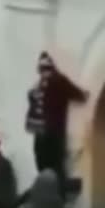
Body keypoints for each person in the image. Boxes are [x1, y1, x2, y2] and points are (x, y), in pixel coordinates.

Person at [24, 52, 87, 191]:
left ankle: (46, 189)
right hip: (54, 132)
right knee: (57, 167)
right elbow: (78, 94)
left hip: (39, 134)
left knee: (43, 165)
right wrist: (85, 94)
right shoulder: (59, 80)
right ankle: (57, 194)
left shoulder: (37, 86)